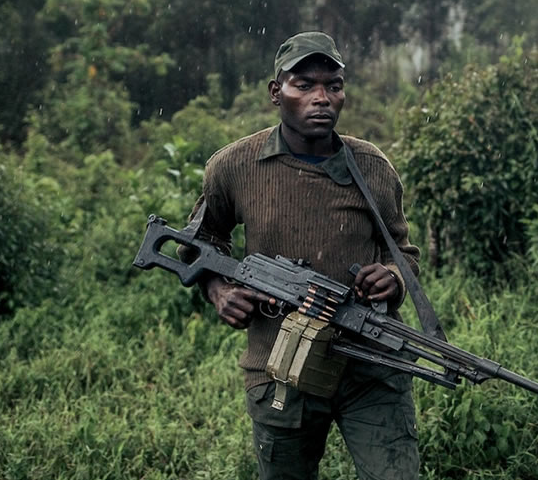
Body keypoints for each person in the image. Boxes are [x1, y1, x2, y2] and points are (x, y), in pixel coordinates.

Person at [180, 31, 422, 480]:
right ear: (277, 92)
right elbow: (203, 242)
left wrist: (393, 277)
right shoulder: (234, 166)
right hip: (281, 368)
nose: (322, 98)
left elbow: (403, 250)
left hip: (371, 363)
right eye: (304, 85)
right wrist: (219, 292)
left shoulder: (371, 167)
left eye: (333, 85)